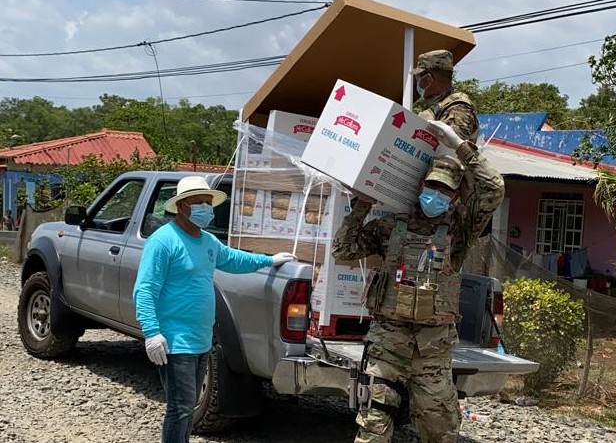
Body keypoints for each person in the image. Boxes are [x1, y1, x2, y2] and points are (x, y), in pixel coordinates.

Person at [332, 49, 505, 443]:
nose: (435, 195)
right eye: (431, 187)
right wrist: (358, 206)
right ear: (419, 186)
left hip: (431, 352)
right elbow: (344, 250)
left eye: (444, 190)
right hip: (388, 344)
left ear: (455, 195)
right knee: (373, 430)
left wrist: (461, 148)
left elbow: (493, 188)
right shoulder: (391, 224)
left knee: (441, 433)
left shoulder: (458, 233)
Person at [133, 176, 296, 443]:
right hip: (175, 342)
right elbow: (145, 289)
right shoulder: (163, 241)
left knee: (187, 406)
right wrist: (152, 332)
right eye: (200, 203)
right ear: (183, 206)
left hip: (200, 341)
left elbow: (233, 259)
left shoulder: (207, 241)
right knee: (181, 408)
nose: (206, 209)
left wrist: (269, 261)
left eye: (208, 203)